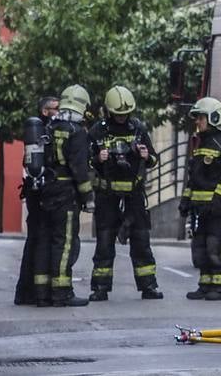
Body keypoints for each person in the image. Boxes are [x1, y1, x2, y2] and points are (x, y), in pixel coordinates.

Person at [88, 86, 162, 301]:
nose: (122, 118)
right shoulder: (97, 131)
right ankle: (100, 288)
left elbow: (154, 160)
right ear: (109, 112)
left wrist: (146, 156)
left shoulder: (138, 129)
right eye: (118, 114)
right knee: (104, 241)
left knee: (141, 241)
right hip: (107, 196)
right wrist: (96, 159)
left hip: (134, 196)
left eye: (125, 114)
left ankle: (148, 286)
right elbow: (83, 160)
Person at [36, 84, 93, 307]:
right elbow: (79, 169)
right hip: (65, 194)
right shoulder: (77, 132)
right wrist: (88, 198)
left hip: (46, 189)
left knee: (46, 241)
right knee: (65, 242)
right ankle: (62, 293)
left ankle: (42, 292)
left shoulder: (49, 127)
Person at [181, 97, 221, 301]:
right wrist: (186, 201)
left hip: (219, 209)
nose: (197, 122)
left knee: (216, 246)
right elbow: (194, 177)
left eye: (201, 118)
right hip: (201, 208)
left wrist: (217, 200)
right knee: (201, 247)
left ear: (213, 118)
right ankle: (205, 284)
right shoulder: (201, 142)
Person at [13, 95, 58, 306]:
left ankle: (26, 292)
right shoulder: (43, 132)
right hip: (41, 196)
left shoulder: (39, 132)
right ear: (44, 111)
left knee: (34, 241)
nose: (58, 112)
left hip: (34, 194)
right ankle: (34, 292)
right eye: (54, 108)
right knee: (39, 242)